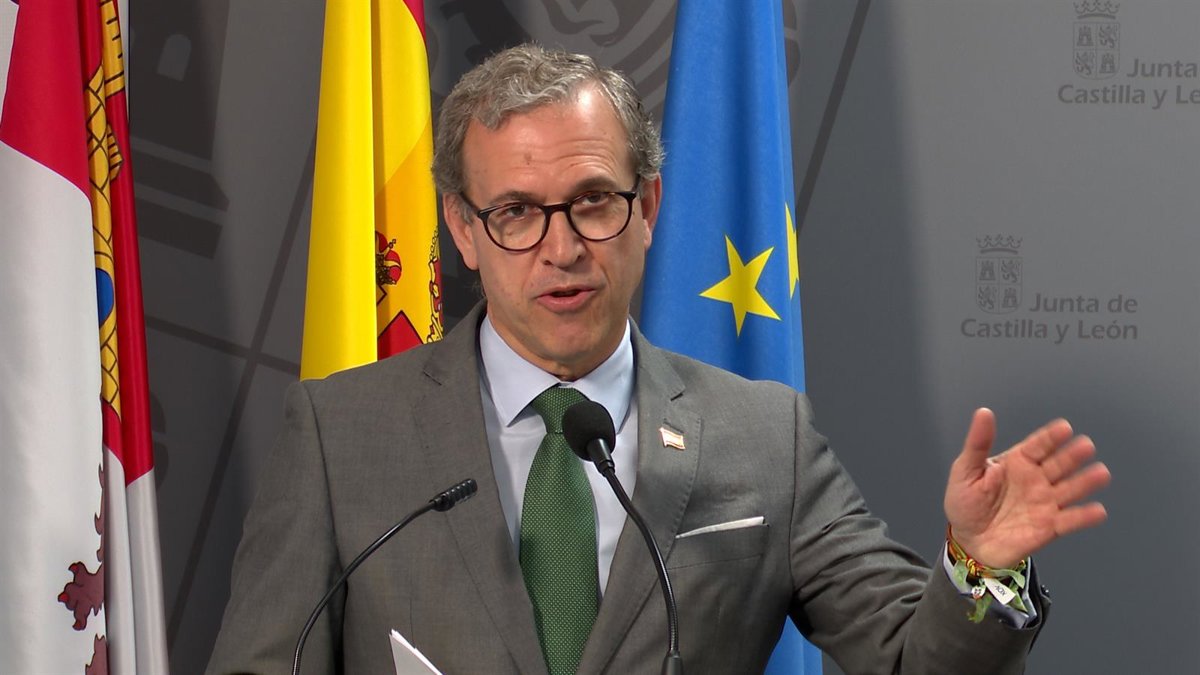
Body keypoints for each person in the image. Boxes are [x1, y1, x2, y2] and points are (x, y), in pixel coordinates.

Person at [207, 44, 1110, 675]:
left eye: (594, 201)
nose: (562, 248)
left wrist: (979, 566)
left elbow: (917, 662)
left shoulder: (765, 439)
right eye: (516, 213)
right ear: (463, 231)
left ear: (647, 208)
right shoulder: (340, 435)